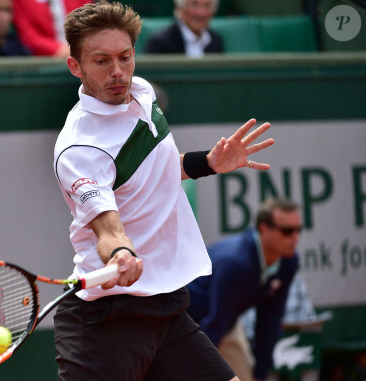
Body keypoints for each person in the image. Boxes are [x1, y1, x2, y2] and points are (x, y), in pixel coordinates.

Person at [53, 1, 274, 379]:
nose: (118, 72)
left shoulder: (142, 93)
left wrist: (208, 163)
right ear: (76, 67)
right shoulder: (79, 149)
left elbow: (153, 170)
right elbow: (106, 226)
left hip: (165, 308)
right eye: (102, 61)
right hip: (110, 320)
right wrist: (121, 253)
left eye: (125, 56)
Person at [185, 198, 302, 381]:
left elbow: (270, 319)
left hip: (223, 322)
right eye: (287, 231)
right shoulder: (237, 264)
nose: (295, 238)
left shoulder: (288, 261)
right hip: (186, 320)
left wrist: (260, 375)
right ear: (264, 229)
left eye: (298, 230)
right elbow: (215, 324)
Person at [144, 0, 224, 57]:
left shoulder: (215, 41)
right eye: (194, 4)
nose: (201, 13)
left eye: (207, 6)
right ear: (180, 8)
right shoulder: (160, 43)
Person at [12, 0, 90, 57]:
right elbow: (29, 36)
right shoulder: (22, 2)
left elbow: (88, 24)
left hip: (80, 53)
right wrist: (59, 49)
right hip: (45, 60)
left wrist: (76, 47)